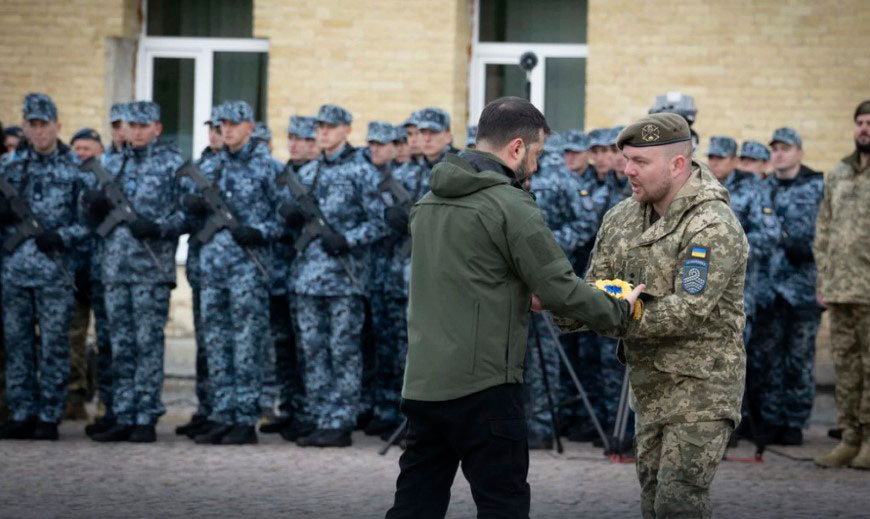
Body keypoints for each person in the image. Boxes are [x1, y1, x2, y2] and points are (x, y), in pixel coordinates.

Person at [385, 97, 639, 519]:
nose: (536, 167)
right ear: (517, 148)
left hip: (424, 384)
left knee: (416, 503)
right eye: (536, 155)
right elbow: (559, 287)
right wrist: (619, 309)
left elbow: (470, 277)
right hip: (485, 387)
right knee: (503, 504)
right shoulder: (510, 203)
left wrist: (519, 292)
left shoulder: (427, 204)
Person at [559, 113, 748, 517]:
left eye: (639, 162)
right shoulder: (622, 218)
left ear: (677, 165)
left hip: (701, 391)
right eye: (625, 159)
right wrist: (556, 303)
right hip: (649, 389)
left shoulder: (712, 223)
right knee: (652, 499)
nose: (627, 170)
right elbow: (597, 290)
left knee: (678, 503)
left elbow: (687, 311)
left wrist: (619, 313)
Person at [283, 104, 385, 447]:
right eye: (319, 127)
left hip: (344, 279)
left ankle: (340, 421)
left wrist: (349, 239)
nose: (323, 133)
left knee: (343, 350)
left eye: (330, 127)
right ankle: (319, 415)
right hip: (306, 278)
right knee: (312, 351)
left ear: (346, 130)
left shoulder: (362, 171)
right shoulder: (308, 172)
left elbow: (382, 220)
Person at [85, 101, 185, 443]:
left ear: (157, 128)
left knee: (147, 344)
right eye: (132, 126)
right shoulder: (111, 163)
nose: (137, 132)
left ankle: (145, 416)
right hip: (114, 268)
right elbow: (92, 217)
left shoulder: (172, 163)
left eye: (145, 126)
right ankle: (122, 413)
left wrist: (157, 228)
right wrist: (93, 208)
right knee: (119, 344)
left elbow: (188, 215)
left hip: (150, 270)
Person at [183, 100, 280, 445]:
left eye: (234, 123)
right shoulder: (209, 167)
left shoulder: (268, 167)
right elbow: (188, 212)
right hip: (211, 268)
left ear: (250, 127)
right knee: (217, 343)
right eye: (222, 123)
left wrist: (260, 231)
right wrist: (191, 209)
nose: (227, 129)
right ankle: (222, 414)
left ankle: (244, 418)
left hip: (246, 271)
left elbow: (285, 217)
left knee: (245, 344)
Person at [0, 93, 92, 440]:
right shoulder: (8, 168)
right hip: (14, 273)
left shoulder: (74, 170)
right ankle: (22, 411)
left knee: (54, 345)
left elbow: (87, 225)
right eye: (32, 125)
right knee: (17, 344)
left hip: (55, 273)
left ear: (58, 126)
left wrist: (61, 237)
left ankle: (49, 415)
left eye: (45, 125)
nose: (39, 132)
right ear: (24, 126)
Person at [706, 135, 781, 442]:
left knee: (734, 356)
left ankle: (732, 422)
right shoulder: (704, 187)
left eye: (721, 158)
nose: (714, 163)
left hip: (742, 289)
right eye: (711, 157)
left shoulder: (753, 189)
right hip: (707, 288)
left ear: (735, 161)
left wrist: (731, 247)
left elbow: (770, 234)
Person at [757, 127, 824, 446]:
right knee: (770, 356)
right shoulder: (763, 188)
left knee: (799, 357)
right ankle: (771, 419)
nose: (779, 154)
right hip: (769, 287)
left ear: (799, 152)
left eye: (785, 148)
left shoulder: (817, 186)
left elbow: (831, 235)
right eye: (775, 148)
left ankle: (795, 420)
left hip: (803, 287)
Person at [813, 100, 870, 469]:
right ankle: (849, 437)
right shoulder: (839, 173)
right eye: (860, 122)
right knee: (846, 367)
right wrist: (824, 277)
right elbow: (824, 228)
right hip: (840, 288)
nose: (864, 128)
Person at [258, 114, 319, 441]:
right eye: (292, 138)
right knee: (282, 347)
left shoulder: (315, 177)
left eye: (305, 139)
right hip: (279, 275)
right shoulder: (281, 175)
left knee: (307, 348)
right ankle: (291, 407)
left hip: (310, 277)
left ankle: (309, 410)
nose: (296, 144)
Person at [174, 107, 224, 440]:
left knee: (231, 347)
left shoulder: (252, 166)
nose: (217, 134)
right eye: (213, 128)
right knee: (207, 345)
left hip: (236, 274)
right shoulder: (200, 168)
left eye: (223, 128)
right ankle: (208, 409)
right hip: (202, 268)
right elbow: (182, 217)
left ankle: (229, 414)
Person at [65, 128, 105, 421]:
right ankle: (74, 396)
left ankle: (106, 398)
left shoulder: (110, 178)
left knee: (108, 338)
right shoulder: (67, 180)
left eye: (87, 148)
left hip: (104, 271)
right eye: (77, 148)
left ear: (99, 152)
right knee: (73, 337)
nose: (82, 153)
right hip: (74, 272)